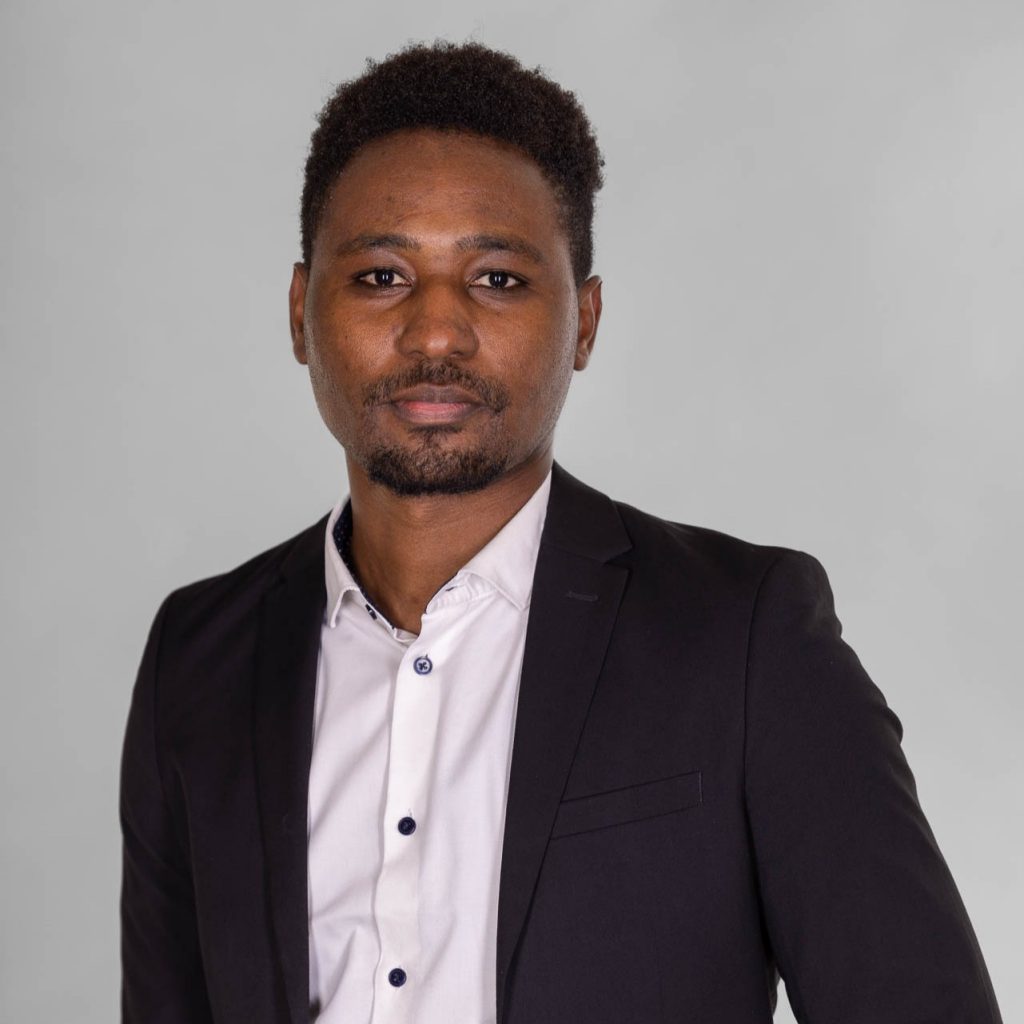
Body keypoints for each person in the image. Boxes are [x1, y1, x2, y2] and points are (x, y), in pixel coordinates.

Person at [119, 41, 1002, 1024]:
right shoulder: (198, 658)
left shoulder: (746, 640)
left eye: (497, 278)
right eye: (381, 275)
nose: (436, 332)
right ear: (300, 312)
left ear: (584, 320)